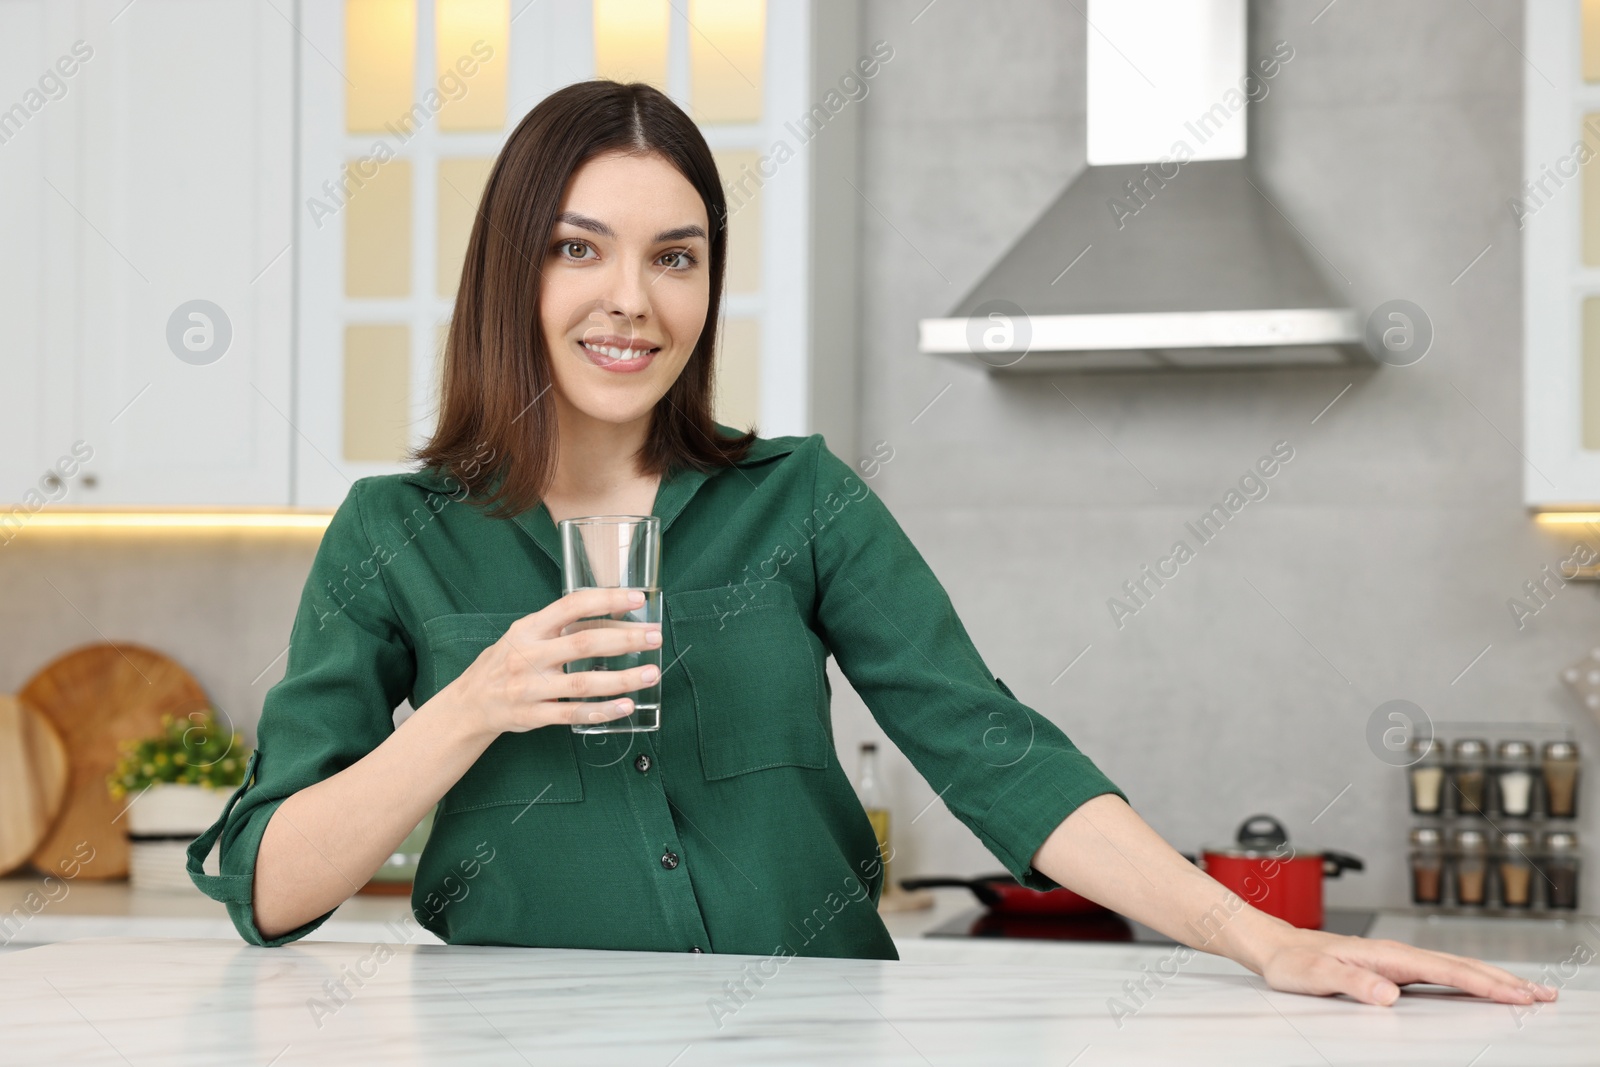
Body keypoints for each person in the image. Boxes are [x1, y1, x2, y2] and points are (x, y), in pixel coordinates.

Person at [187, 80, 1555, 1009]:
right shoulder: (393, 536)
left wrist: (1259, 937)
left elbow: (988, 746)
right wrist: (470, 710)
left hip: (818, 1032)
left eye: (677, 256)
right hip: (526, 1037)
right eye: (578, 249)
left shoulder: (802, 499)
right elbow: (266, 887)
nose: (631, 299)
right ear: (512, 271)